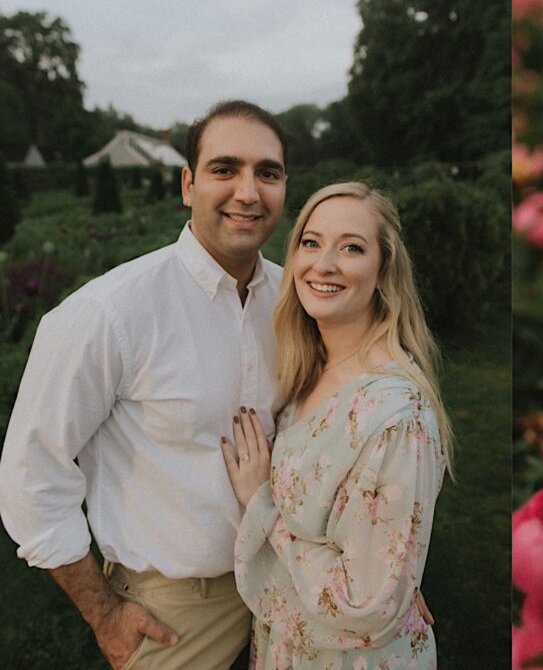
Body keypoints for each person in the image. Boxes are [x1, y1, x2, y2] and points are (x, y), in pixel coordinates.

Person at [0, 100, 289, 670]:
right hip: (179, 615)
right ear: (187, 184)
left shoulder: (295, 303)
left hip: (288, 586)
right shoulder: (108, 314)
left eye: (268, 172)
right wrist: (105, 614)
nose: (248, 192)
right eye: (224, 169)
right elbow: (31, 474)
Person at [220, 182, 452, 669]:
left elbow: (366, 604)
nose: (323, 264)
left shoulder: (397, 416)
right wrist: (399, 572)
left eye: (351, 247)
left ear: (383, 271)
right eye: (311, 242)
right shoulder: (311, 371)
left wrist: (259, 503)